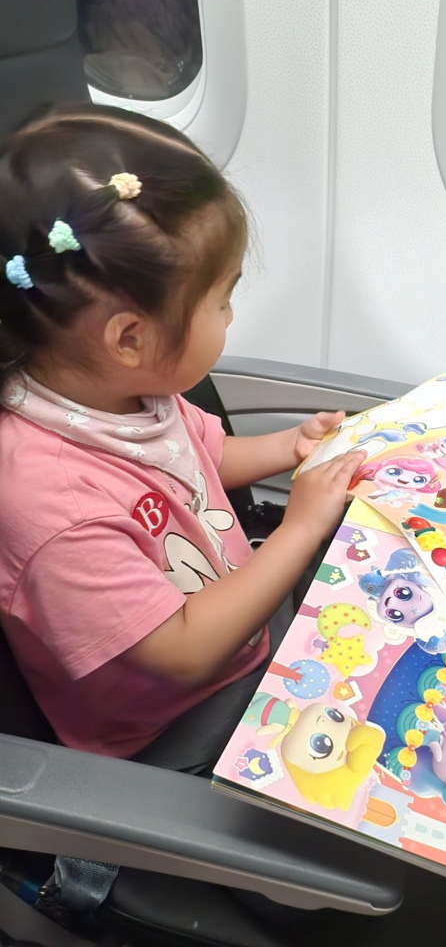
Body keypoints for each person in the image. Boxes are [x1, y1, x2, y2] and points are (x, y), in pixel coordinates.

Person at [0, 104, 363, 767]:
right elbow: (183, 651)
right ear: (129, 339)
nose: (230, 316)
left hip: (240, 629)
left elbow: (201, 458)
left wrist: (291, 448)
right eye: (221, 300)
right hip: (176, 730)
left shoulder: (128, 395)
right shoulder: (53, 507)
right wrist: (301, 528)